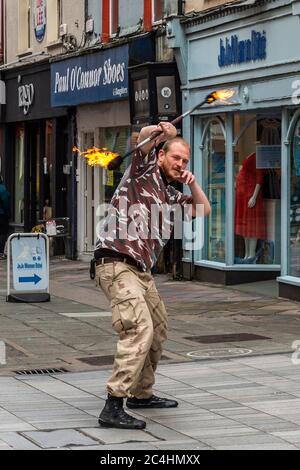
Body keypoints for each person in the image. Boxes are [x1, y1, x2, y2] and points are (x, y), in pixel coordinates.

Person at [95, 122, 211, 430]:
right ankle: (113, 404)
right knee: (138, 328)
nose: (181, 164)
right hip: (116, 263)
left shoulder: (171, 195)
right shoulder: (140, 172)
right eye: (176, 158)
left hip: (141, 272)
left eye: (185, 161)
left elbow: (203, 209)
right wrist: (161, 130)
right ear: (161, 156)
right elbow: (145, 138)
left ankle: (141, 394)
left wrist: (192, 184)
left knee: (158, 328)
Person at [235, 152, 266, 261]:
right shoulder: (252, 155)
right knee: (245, 227)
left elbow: (259, 178)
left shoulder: (258, 157)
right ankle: (247, 254)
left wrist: (254, 196)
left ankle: (251, 254)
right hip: (244, 196)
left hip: (250, 195)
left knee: (251, 226)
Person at [0, 175, 10, 258]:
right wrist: (7, 213)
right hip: (2, 214)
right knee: (3, 233)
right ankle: (1, 252)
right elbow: (5, 202)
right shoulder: (2, 189)